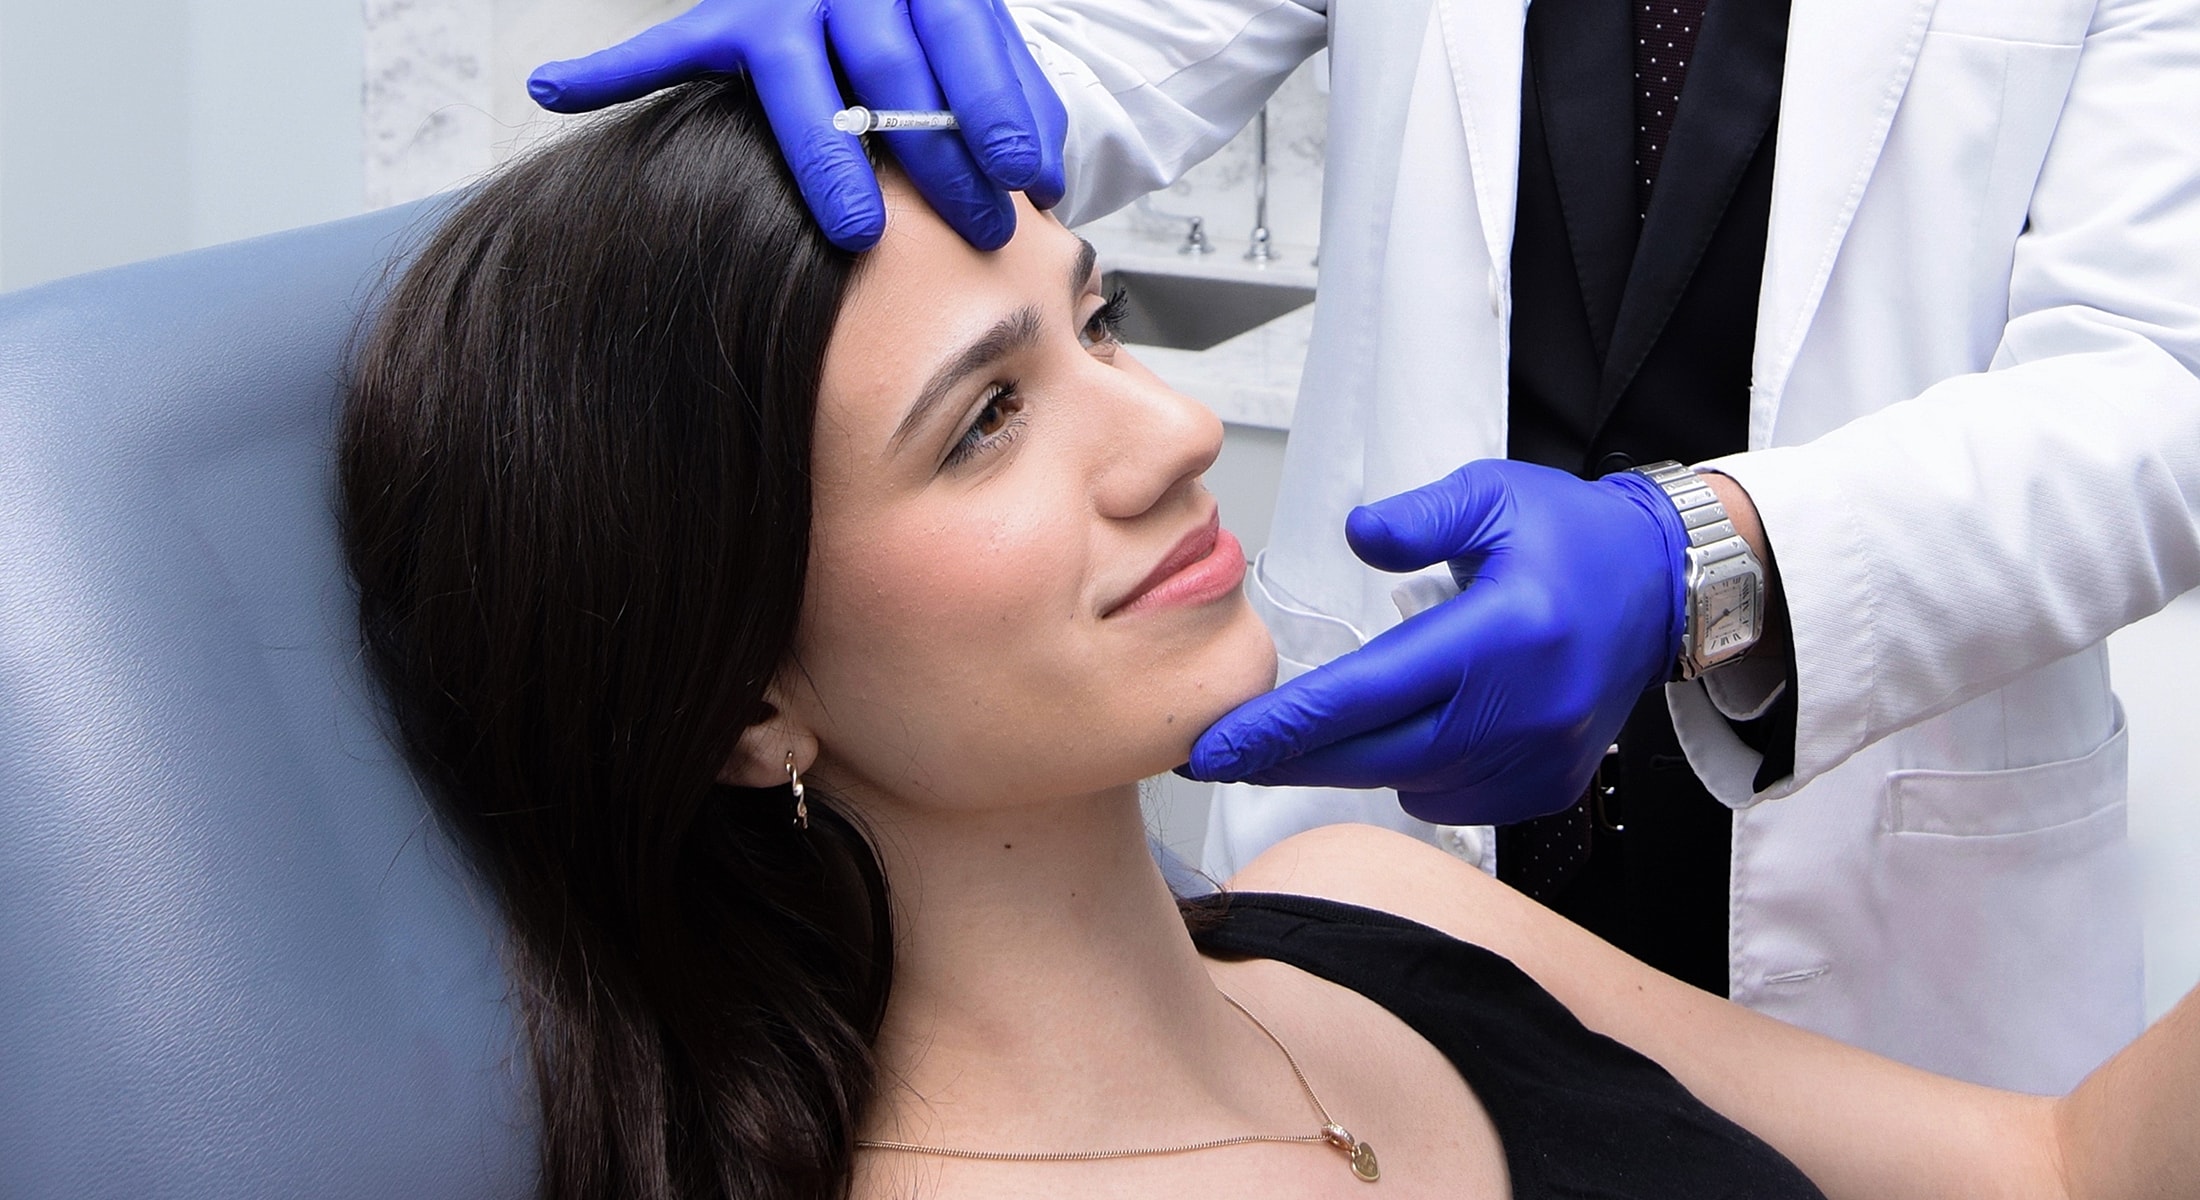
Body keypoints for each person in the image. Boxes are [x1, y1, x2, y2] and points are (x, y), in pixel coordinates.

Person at [340, 74, 2200, 1200]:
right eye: (984, 420)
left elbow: (2062, 1172)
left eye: (1102, 320)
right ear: (746, 694)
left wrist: (1704, 549)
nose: (1169, 434)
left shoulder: (1391, 912)